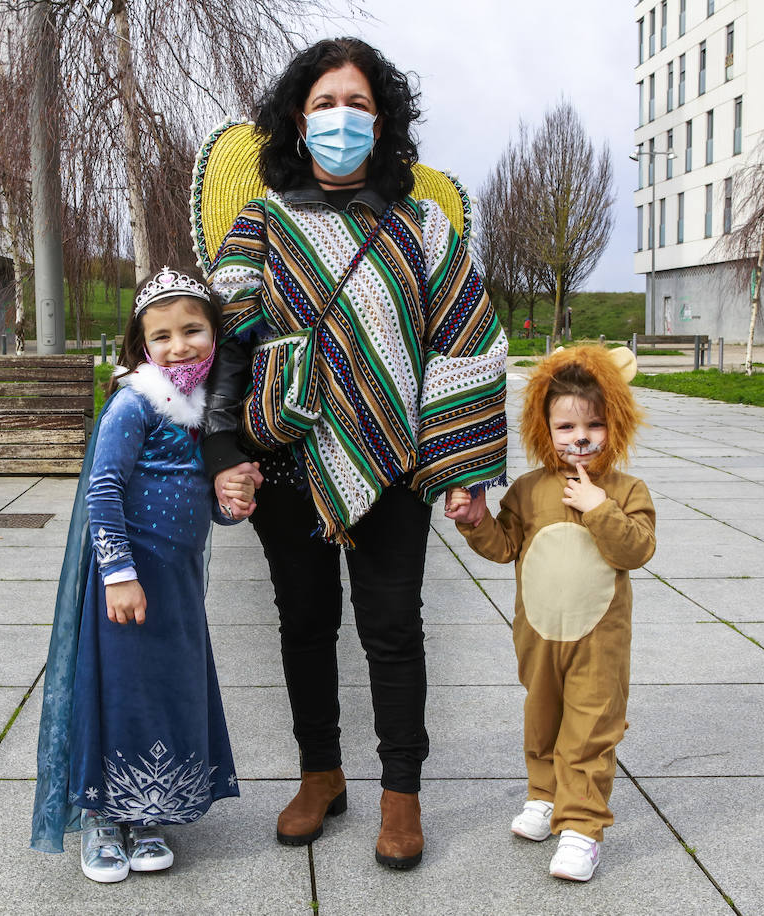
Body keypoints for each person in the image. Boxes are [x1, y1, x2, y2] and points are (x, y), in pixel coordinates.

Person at [202, 38, 510, 869]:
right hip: (286, 467)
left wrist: (464, 471)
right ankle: (321, 774)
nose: (343, 118)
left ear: (384, 122)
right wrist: (224, 451)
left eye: (360, 104)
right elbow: (225, 348)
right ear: (298, 123)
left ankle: (402, 797)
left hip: (394, 468)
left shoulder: (422, 228)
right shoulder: (260, 223)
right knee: (304, 627)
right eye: (327, 104)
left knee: (392, 632)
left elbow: (469, 342)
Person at [30, 266, 254, 883]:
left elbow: (208, 503)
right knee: (118, 689)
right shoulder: (134, 403)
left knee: (165, 687)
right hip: (127, 581)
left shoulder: (208, 415)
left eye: (193, 331)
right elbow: (103, 489)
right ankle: (102, 816)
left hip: (178, 585)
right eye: (162, 337)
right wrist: (118, 574)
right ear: (142, 345)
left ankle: (146, 811)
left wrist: (232, 501)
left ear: (215, 334)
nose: (179, 346)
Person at [446, 345, 656, 882]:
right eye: (565, 426)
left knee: (590, 727)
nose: (580, 437)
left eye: (594, 424)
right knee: (542, 718)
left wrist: (598, 508)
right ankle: (544, 793)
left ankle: (582, 826)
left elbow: (636, 549)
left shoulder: (627, 490)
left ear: (616, 424)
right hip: (539, 635)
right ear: (545, 428)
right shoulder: (529, 489)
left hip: (599, 642)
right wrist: (476, 519)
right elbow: (505, 546)